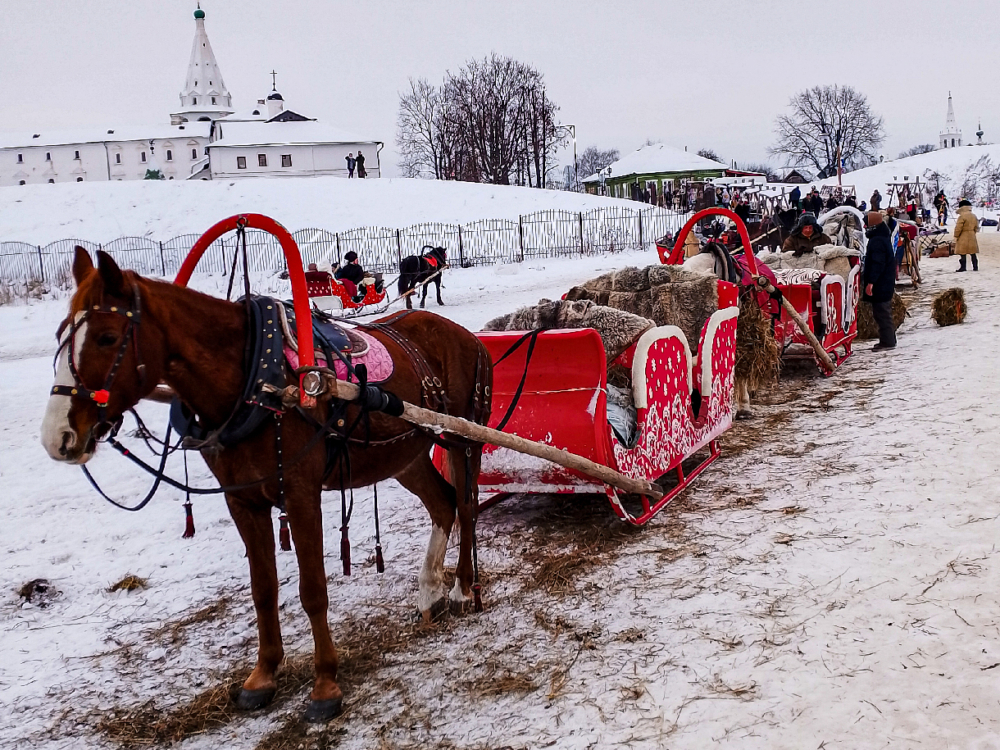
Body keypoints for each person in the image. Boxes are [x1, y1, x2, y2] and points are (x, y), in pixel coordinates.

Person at [863, 211, 897, 351]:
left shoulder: (877, 241)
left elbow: (878, 263)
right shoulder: (881, 237)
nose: (864, 226)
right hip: (884, 281)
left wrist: (871, 282)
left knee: (882, 313)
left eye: (866, 224)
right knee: (882, 312)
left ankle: (888, 342)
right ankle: (887, 340)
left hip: (881, 283)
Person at [953, 199, 980, 271]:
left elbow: (958, 228)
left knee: (962, 252)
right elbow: (976, 226)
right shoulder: (973, 216)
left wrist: (956, 236)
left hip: (963, 235)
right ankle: (975, 267)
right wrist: (973, 232)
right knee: (973, 252)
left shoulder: (962, 216)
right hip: (972, 234)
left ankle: (963, 267)